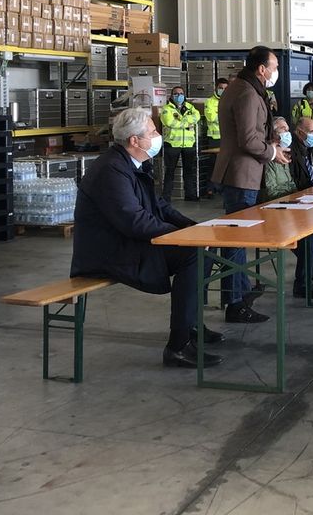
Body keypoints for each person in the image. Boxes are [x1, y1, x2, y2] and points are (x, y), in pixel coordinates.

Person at [70, 107, 222, 369]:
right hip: (109, 252)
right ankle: (178, 346)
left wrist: (191, 227)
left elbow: (159, 205)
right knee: (194, 253)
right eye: (152, 132)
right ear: (134, 140)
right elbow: (134, 220)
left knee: (203, 249)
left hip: (128, 242)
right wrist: (182, 236)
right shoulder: (111, 170)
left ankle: (192, 325)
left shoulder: (132, 164)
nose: (157, 135)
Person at [211, 45, 290, 323]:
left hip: (243, 172)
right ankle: (235, 302)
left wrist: (272, 139)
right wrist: (272, 152)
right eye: (275, 67)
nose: (276, 72)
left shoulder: (246, 88)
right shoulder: (246, 92)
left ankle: (239, 292)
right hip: (240, 174)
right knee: (236, 239)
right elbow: (247, 139)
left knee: (237, 237)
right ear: (262, 69)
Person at [259, 117, 313, 299]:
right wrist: (293, 196)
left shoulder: (285, 154)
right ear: (273, 134)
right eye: (282, 129)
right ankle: (302, 283)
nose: (286, 132)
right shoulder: (269, 158)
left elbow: (290, 183)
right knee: (311, 232)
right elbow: (271, 191)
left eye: (287, 128)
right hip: (274, 208)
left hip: (289, 203)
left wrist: (297, 196)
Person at [159, 86, 200, 200]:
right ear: (171, 96)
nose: (179, 96)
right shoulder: (166, 109)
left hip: (188, 144)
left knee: (189, 170)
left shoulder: (190, 107)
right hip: (172, 144)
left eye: (181, 94)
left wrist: (182, 122)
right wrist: (187, 123)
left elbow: (196, 117)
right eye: (176, 94)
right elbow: (169, 122)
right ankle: (166, 196)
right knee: (170, 171)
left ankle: (190, 195)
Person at [204, 77, 229, 145]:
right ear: (216, 88)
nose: (223, 90)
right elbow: (211, 118)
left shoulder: (231, 101)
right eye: (221, 88)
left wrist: (219, 114)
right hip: (215, 138)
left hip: (229, 137)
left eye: (226, 89)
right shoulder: (209, 101)